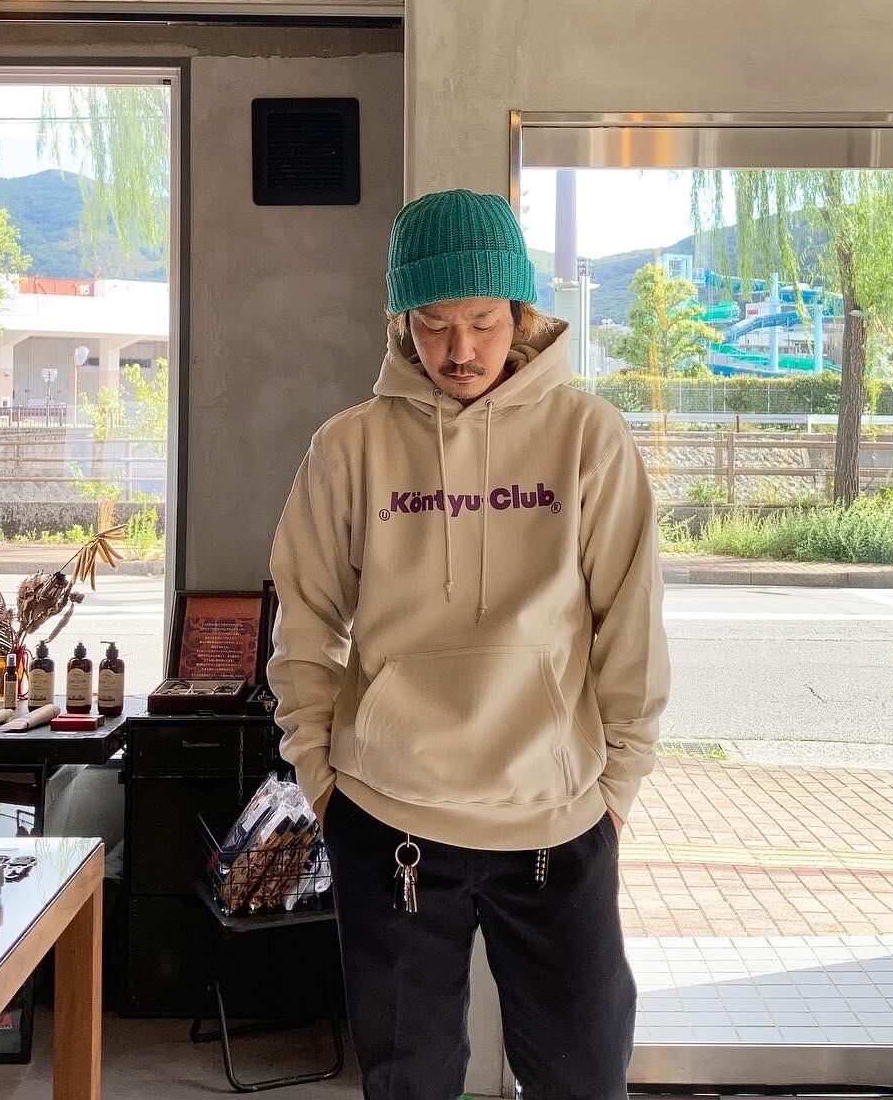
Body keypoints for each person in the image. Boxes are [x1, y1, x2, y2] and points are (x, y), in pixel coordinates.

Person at [268, 188, 670, 1100]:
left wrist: (617, 789)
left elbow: (630, 626)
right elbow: (306, 621)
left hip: (558, 822)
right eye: (434, 323)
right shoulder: (349, 448)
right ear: (400, 321)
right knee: (408, 1084)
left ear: (520, 314)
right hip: (389, 820)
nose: (459, 350)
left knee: (582, 1078)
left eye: (483, 322)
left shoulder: (588, 438)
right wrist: (321, 781)